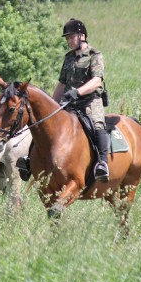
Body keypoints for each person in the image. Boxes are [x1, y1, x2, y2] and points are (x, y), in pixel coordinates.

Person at [53, 18, 109, 182]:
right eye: (67, 38)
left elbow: (97, 81)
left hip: (90, 102)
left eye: (71, 37)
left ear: (82, 36)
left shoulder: (95, 55)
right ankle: (29, 160)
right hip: (69, 103)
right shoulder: (68, 58)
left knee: (97, 124)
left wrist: (77, 92)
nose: (69, 41)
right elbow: (62, 84)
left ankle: (102, 164)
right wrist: (52, 106)